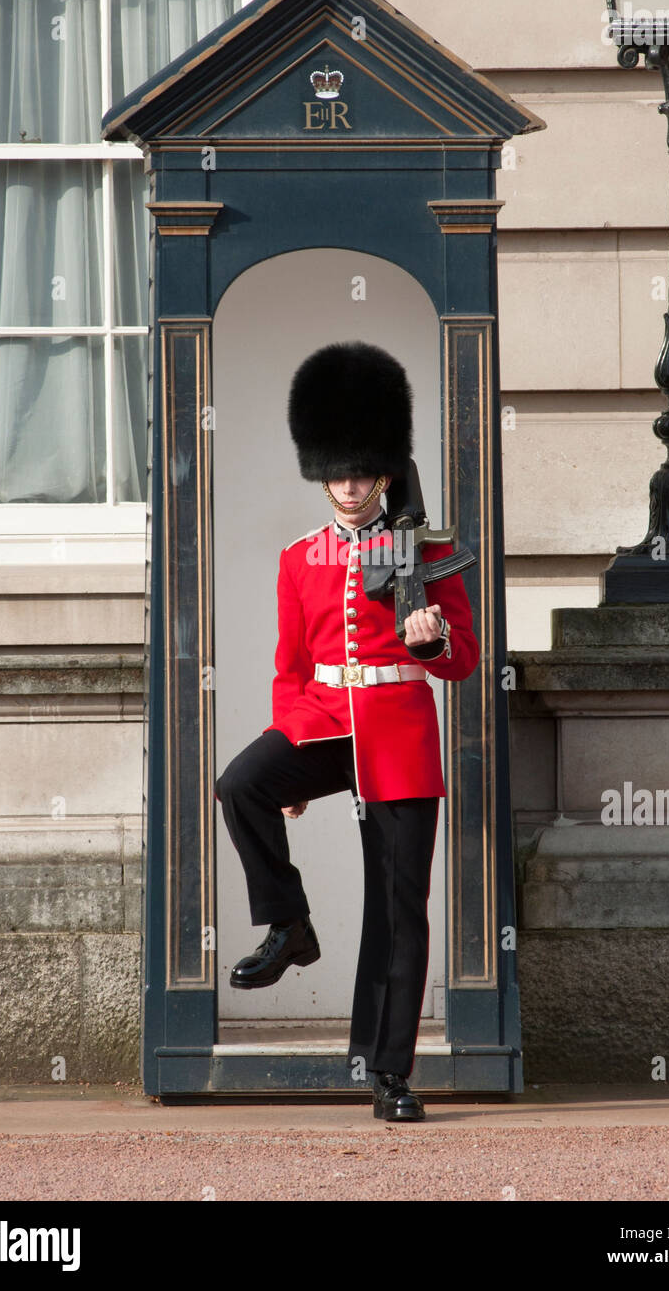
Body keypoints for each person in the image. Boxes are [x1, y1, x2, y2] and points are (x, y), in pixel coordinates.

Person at [215, 341, 479, 1121]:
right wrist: (290, 753)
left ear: (384, 471)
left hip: (397, 729)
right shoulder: (300, 559)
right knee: (241, 784)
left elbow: (460, 662)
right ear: (321, 471)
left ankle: (388, 1071)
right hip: (327, 720)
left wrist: (429, 639)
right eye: (337, 471)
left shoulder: (427, 552)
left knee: (397, 910)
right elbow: (289, 667)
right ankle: (289, 924)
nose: (350, 485)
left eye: (362, 470)